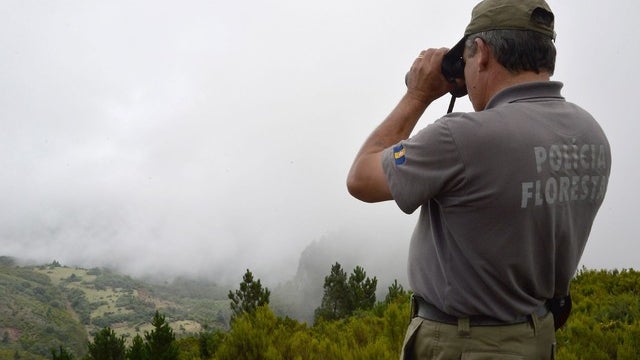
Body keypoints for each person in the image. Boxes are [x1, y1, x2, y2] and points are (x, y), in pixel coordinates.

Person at [346, 0, 611, 358]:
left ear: (482, 54)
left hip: (464, 345)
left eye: (467, 59)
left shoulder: (461, 138)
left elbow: (361, 178)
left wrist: (418, 94)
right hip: (537, 338)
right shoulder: (591, 134)